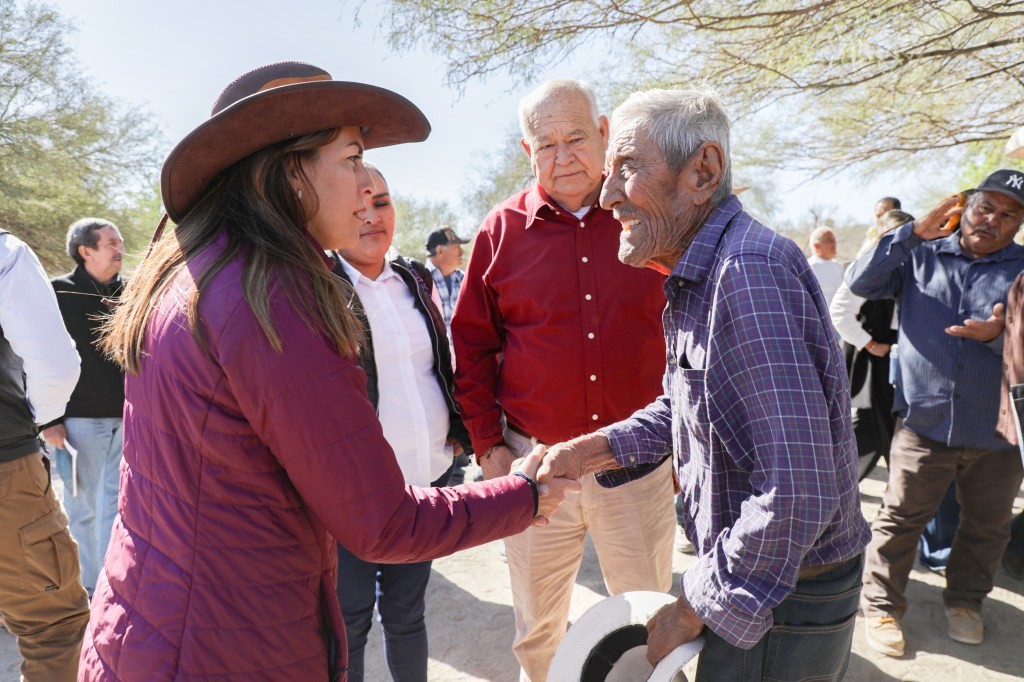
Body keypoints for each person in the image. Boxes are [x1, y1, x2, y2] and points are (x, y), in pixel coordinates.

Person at [78, 61, 576, 681]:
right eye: (352, 157)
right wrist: (524, 494)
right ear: (291, 172)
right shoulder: (272, 296)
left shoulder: (197, 272)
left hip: (155, 626)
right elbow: (383, 522)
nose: (368, 183)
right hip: (225, 648)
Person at [537, 86, 872, 682]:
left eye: (627, 168)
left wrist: (694, 604)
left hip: (784, 598)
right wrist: (590, 451)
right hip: (773, 582)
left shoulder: (746, 273)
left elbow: (795, 491)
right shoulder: (711, 269)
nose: (608, 193)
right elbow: (692, 403)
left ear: (704, 170)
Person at [452, 78, 677, 682]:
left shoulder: (652, 221)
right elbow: (471, 346)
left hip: (639, 463)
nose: (562, 154)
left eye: (575, 137)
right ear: (528, 153)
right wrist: (488, 447)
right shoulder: (499, 233)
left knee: (647, 627)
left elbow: (692, 334)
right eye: (544, 143)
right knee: (539, 632)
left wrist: (689, 447)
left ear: (604, 134)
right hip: (536, 468)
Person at [848, 169, 1024, 655]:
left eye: (1009, 214)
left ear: (1018, 226)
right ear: (963, 207)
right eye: (986, 206)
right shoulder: (918, 256)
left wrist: (999, 339)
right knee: (900, 517)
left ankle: (966, 601)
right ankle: (881, 606)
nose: (993, 219)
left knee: (988, 526)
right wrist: (909, 233)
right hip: (924, 423)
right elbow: (861, 282)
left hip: (998, 430)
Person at [331, 165, 470, 682]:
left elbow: (438, 362)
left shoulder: (413, 277)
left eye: (382, 203)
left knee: (408, 617)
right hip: (353, 497)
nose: (371, 216)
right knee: (349, 622)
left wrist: (458, 434)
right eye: (356, 206)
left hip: (424, 484)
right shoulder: (315, 284)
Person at [0, 230, 90, 681]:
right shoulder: (4, 253)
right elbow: (54, 364)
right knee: (52, 627)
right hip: (4, 467)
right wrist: (34, 419)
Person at [43, 218, 127, 596]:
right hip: (77, 423)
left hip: (126, 419)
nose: (119, 248)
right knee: (82, 508)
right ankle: (88, 587)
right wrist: (50, 419)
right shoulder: (57, 293)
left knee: (116, 503)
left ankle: (113, 584)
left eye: (120, 241)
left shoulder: (129, 293)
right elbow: (39, 357)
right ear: (86, 251)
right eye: (111, 242)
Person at [829, 208, 911, 480]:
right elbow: (839, 311)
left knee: (884, 426)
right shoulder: (867, 265)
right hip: (873, 355)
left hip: (900, 353)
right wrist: (871, 343)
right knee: (870, 423)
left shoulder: (913, 264)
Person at [424, 225, 469, 337]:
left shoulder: (465, 280)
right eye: (456, 247)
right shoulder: (420, 281)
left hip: (463, 354)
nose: (461, 252)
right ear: (440, 251)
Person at [808, 226, 844, 305]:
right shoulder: (809, 268)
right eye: (829, 240)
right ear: (816, 245)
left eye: (834, 240)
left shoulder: (839, 267)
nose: (834, 243)